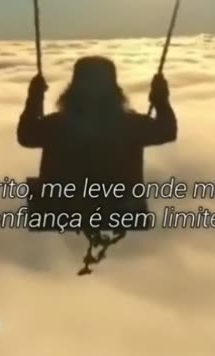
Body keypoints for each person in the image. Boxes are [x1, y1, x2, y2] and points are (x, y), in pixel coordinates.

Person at [17, 55, 177, 231]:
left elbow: (26, 136)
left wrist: (34, 98)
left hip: (60, 210)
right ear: (114, 91)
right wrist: (161, 100)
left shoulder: (56, 125)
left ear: (73, 89)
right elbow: (167, 131)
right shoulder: (131, 126)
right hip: (120, 210)